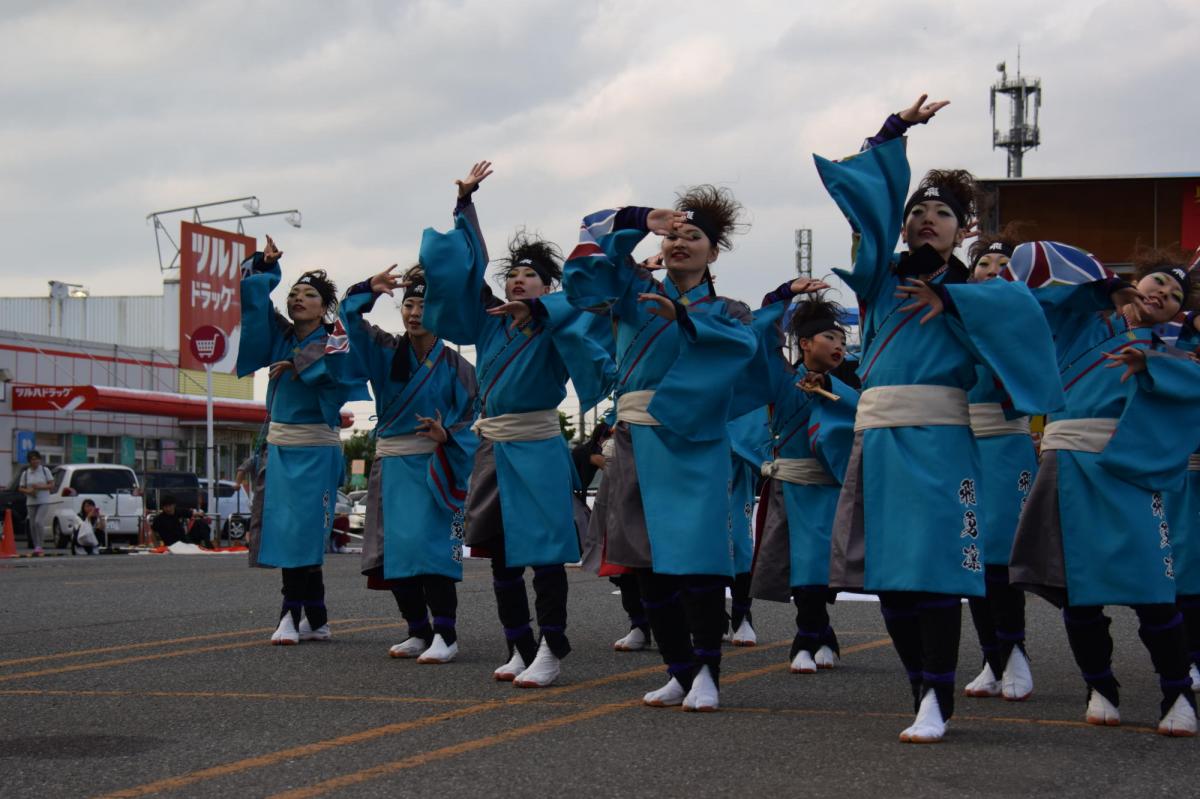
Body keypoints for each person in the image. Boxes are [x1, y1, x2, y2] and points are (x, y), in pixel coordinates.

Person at [818, 95, 1063, 742]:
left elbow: (1021, 327)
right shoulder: (877, 280)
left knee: (937, 571)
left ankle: (940, 699)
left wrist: (952, 303)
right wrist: (892, 131)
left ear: (965, 230)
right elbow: (865, 205)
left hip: (944, 440)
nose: (928, 219)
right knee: (891, 579)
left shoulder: (982, 294)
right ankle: (920, 688)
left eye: (942, 214)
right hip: (880, 441)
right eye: (917, 213)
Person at [563, 186, 759, 712]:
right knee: (644, 561)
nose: (680, 243)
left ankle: (708, 674)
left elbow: (744, 349)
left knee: (695, 560)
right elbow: (584, 267)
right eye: (673, 234)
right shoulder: (632, 289)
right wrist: (638, 219)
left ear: (714, 252)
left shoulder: (729, 310)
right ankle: (677, 669)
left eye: (693, 237)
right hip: (632, 437)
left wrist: (687, 321)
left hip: (693, 439)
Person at [421, 162, 616, 687]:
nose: (516, 280)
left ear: (548, 286)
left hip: (537, 444)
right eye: (512, 276)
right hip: (494, 447)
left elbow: (583, 315)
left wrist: (548, 311)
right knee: (501, 555)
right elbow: (467, 273)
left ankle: (552, 646)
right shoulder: (490, 326)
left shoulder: (558, 324)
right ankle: (518, 644)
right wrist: (465, 203)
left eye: (528, 276)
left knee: (545, 554)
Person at [1009, 244, 1200, 736]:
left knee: (1156, 593)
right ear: (1135, 283)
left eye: (1176, 294)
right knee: (1080, 593)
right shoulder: (1080, 321)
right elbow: (1036, 263)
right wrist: (1106, 285)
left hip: (1132, 470)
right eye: (1157, 282)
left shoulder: (1173, 349)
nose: (1164, 294)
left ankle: (1177, 692)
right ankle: (1100, 687)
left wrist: (1153, 367)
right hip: (1069, 463)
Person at [341, 263, 479, 665]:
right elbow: (348, 316)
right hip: (394, 464)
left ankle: (446, 634)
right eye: (409, 305)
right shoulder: (384, 350)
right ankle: (417, 629)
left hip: (439, 465)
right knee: (394, 551)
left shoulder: (458, 367)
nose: (415, 313)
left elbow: (474, 414)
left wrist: (448, 435)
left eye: (425, 304)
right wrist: (368, 288)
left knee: (435, 550)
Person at [237, 235, 368, 646]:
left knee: (305, 532)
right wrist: (264, 265)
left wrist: (300, 363)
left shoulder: (335, 338)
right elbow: (254, 302)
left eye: (308, 294)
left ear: (323, 306)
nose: (298, 299)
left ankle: (290, 615)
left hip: (316, 449)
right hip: (280, 447)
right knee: (285, 531)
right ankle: (315, 615)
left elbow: (338, 377)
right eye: (293, 293)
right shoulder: (280, 333)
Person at [749, 283, 859, 675]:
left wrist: (829, 385)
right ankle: (809, 637)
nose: (838, 345)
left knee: (825, 567)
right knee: (805, 564)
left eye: (843, 340)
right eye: (830, 337)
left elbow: (861, 414)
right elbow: (763, 337)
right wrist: (780, 294)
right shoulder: (782, 380)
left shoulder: (848, 384)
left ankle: (818, 634)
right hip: (793, 488)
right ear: (805, 343)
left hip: (833, 488)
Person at [961, 230, 1038, 702]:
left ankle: (1014, 653)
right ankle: (992, 656)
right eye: (984, 265)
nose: (992, 272)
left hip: (1008, 446)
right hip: (963, 445)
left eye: (1002, 266)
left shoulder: (1029, 323)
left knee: (1003, 558)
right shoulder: (954, 320)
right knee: (971, 557)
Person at [18, 450, 53, 555]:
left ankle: (40, 545)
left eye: (37, 459)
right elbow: (20, 488)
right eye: (33, 459)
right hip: (31, 501)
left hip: (44, 500)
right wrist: (29, 491)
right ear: (29, 461)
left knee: (38, 521)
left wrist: (40, 487)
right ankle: (36, 545)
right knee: (32, 524)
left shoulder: (44, 470)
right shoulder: (25, 473)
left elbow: (51, 485)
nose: (35, 461)